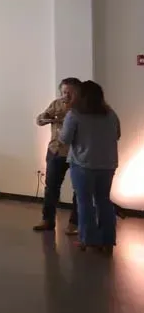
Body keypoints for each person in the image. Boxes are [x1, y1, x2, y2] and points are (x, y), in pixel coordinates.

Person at [60, 80, 121, 253]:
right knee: (104, 200)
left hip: (83, 165)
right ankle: (108, 240)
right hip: (107, 165)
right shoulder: (111, 114)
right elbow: (117, 135)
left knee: (85, 202)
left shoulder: (74, 114)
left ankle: (87, 239)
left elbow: (65, 139)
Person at [34, 77, 82, 234]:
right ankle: (47, 220)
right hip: (55, 151)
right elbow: (40, 120)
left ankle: (74, 224)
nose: (66, 96)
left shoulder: (83, 107)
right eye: (64, 92)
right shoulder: (56, 104)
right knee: (51, 188)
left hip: (76, 153)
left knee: (79, 190)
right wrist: (46, 118)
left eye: (70, 93)